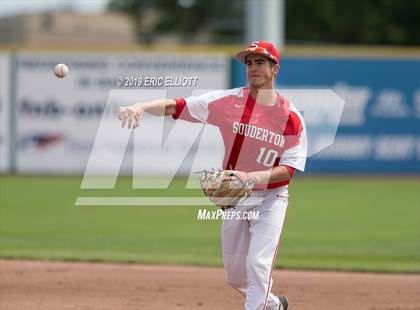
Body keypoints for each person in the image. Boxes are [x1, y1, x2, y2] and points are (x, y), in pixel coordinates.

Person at [118, 41, 307, 310]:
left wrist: (249, 178)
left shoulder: (290, 116)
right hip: (235, 198)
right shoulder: (227, 102)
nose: (253, 67)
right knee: (235, 276)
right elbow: (178, 106)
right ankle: (275, 305)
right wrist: (142, 106)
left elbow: (288, 171)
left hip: (270, 199)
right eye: (249, 62)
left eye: (260, 62)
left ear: (275, 68)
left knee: (258, 265)